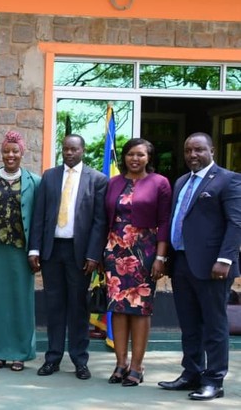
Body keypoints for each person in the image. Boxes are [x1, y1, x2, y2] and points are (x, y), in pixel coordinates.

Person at [158, 132, 241, 401]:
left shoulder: (228, 180)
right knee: (190, 324)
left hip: (213, 266)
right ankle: (191, 374)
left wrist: (225, 259)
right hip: (182, 262)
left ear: (212, 151)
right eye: (188, 150)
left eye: (198, 150)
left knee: (214, 324)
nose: (192, 155)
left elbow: (236, 223)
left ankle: (214, 380)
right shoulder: (182, 181)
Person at [28, 134, 108, 380]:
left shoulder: (97, 180)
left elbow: (99, 222)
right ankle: (52, 358)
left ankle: (79, 361)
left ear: (82, 150)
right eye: (65, 149)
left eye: (74, 149)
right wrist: (35, 249)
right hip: (52, 251)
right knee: (54, 307)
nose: (69, 153)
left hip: (80, 254)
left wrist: (94, 254)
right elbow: (39, 215)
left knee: (78, 308)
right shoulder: (50, 176)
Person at [103, 138, 172, 386]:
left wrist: (161, 257)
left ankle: (137, 366)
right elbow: (104, 218)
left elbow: (165, 221)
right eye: (131, 154)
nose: (135, 159)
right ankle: (120, 364)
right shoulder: (113, 183)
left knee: (140, 309)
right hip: (114, 252)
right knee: (118, 309)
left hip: (145, 252)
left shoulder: (159, 183)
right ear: (124, 157)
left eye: (140, 155)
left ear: (149, 158)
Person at [0, 131, 40, 372]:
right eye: (6, 151)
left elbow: (39, 220)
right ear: (1, 153)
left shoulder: (35, 181)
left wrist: (36, 250)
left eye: (15, 151)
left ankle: (20, 353)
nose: (10, 155)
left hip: (21, 252)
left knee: (21, 302)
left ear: (22, 153)